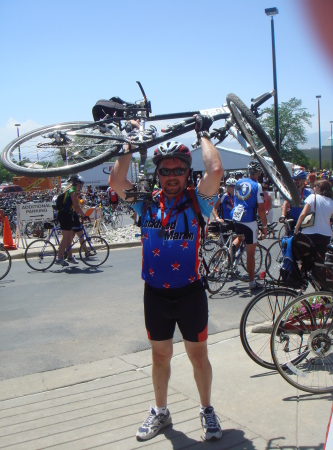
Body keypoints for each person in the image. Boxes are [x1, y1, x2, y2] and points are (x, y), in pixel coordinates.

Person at [108, 115, 223, 442]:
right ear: (157, 173)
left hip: (190, 293)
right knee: (160, 356)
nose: (171, 176)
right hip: (155, 295)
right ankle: (160, 411)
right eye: (165, 171)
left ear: (188, 172)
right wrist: (129, 143)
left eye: (178, 170)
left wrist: (202, 134)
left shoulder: (198, 202)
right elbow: (117, 181)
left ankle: (206, 409)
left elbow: (214, 170)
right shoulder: (146, 203)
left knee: (198, 356)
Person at [231, 162, 267, 291]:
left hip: (236, 217)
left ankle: (231, 251)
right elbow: (261, 210)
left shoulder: (238, 182)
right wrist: (264, 226)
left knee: (240, 237)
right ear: (258, 173)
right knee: (250, 253)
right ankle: (252, 282)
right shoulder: (257, 185)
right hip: (249, 221)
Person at [55, 174, 93, 266]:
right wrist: (84, 215)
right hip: (65, 215)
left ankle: (70, 257)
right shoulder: (73, 191)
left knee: (68, 238)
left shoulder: (70, 190)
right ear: (77, 183)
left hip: (66, 215)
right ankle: (59, 258)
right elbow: (76, 207)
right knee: (65, 238)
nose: (82, 186)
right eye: (81, 184)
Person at [294, 180, 333, 259]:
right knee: (320, 259)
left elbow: (303, 214)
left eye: (315, 186)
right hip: (325, 235)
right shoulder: (332, 203)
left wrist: (296, 228)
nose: (313, 188)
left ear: (320, 188)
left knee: (306, 257)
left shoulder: (312, 197)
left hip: (309, 233)